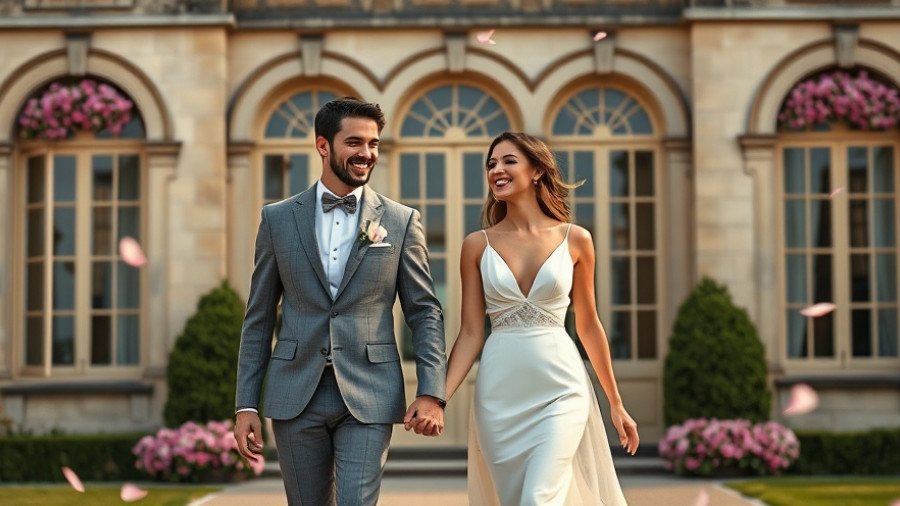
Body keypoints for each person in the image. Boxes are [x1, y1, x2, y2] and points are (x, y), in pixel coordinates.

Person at [234, 97, 447, 506]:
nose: (366, 153)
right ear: (322, 145)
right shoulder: (277, 219)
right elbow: (258, 316)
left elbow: (424, 312)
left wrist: (431, 391)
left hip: (370, 391)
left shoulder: (401, 221)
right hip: (296, 392)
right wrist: (246, 403)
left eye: (373, 143)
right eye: (354, 142)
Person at [445, 131, 639, 505]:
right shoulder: (475, 245)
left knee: (538, 497)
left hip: (561, 390)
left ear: (536, 171)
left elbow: (588, 324)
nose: (496, 170)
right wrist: (439, 398)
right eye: (491, 164)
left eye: (508, 161)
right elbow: (470, 332)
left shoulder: (576, 239)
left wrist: (615, 402)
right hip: (498, 398)